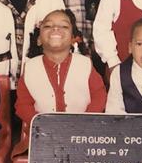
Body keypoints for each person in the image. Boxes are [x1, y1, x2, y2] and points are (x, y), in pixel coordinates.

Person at [15, 9, 106, 138]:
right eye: (48, 26)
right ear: (39, 39)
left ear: (73, 38)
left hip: (83, 135)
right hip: (43, 136)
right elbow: (23, 105)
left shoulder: (85, 64)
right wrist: (42, 126)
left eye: (64, 26)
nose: (56, 29)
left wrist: (85, 122)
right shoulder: (30, 67)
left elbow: (99, 96)